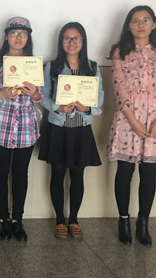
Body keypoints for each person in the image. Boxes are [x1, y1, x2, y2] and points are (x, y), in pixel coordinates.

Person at [107, 5, 156, 246]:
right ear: (128, 26)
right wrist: (133, 121)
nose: (141, 25)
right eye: (135, 21)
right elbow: (119, 89)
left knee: (149, 173)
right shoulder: (120, 52)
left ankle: (143, 223)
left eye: (146, 20)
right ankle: (123, 220)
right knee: (125, 171)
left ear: (154, 24)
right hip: (128, 119)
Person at [39, 22, 104, 239]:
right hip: (58, 127)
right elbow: (43, 95)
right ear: (61, 41)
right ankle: (60, 220)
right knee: (57, 174)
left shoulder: (92, 67)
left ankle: (74, 220)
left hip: (81, 129)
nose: (72, 42)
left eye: (76, 38)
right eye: (67, 38)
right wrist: (57, 107)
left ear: (83, 41)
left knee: (78, 174)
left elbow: (99, 97)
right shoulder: (53, 67)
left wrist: (88, 108)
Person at [0, 16, 43, 241]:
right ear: (6, 36)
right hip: (0, 125)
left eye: (23, 34)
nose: (18, 37)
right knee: (0, 173)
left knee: (21, 174)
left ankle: (17, 220)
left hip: (26, 127)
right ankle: (3, 220)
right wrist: (2, 93)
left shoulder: (33, 63)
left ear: (28, 37)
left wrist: (35, 93)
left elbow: (40, 98)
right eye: (14, 33)